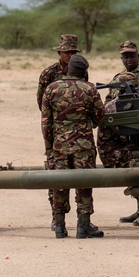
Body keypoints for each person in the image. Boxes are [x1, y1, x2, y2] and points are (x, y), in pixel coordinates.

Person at [40, 54, 106, 239]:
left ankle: (59, 226)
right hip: (83, 146)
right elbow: (100, 116)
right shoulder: (89, 89)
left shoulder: (51, 89)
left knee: (58, 184)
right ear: (84, 72)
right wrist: (87, 124)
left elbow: (46, 123)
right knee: (84, 184)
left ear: (68, 69)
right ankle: (83, 226)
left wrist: (49, 148)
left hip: (59, 146)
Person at [37, 34, 88, 230]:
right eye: (67, 52)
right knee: (56, 174)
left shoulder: (81, 70)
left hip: (79, 131)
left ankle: (82, 220)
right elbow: (42, 103)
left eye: (73, 52)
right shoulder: (49, 73)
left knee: (81, 174)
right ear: (59, 52)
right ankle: (56, 217)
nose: (70, 55)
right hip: (56, 131)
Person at [107, 40, 139, 223]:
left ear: (138, 55)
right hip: (125, 134)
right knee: (132, 168)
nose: (128, 59)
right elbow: (108, 105)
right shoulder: (116, 78)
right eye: (125, 56)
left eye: (131, 55)